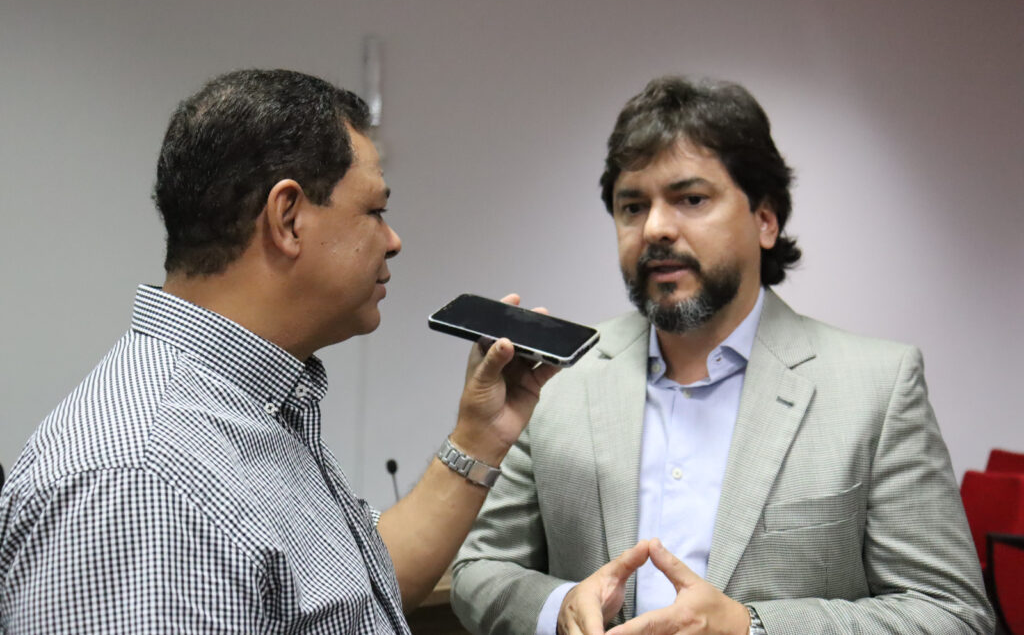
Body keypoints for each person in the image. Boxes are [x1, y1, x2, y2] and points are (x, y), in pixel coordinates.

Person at [0, 68, 558, 633]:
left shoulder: (247, 408)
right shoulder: (142, 482)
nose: (393, 241)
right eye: (375, 211)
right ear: (287, 218)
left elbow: (352, 596)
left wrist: (480, 436)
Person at [450, 76, 993, 634]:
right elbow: (479, 568)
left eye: (691, 199)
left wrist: (750, 629)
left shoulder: (877, 388)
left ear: (765, 219)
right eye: (632, 206)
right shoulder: (557, 376)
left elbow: (951, 613)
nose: (655, 228)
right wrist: (562, 606)